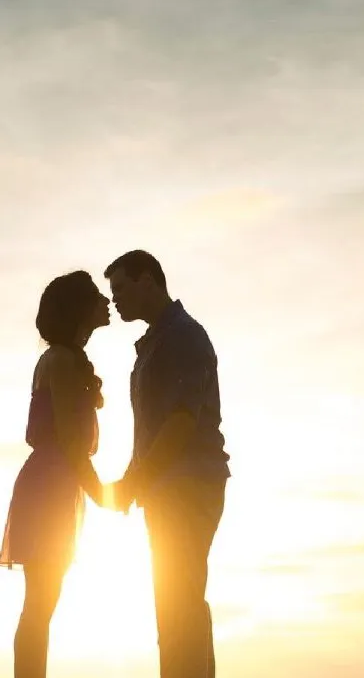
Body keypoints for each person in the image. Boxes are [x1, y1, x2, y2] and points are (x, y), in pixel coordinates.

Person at [104, 250, 230, 678]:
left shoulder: (182, 336)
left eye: (120, 288)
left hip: (189, 485)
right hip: (164, 488)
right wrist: (132, 480)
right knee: (179, 603)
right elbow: (152, 429)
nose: (115, 299)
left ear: (148, 280)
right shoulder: (156, 342)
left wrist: (135, 479)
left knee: (179, 606)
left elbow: (179, 422)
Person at [0, 270, 120, 678]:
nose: (107, 302)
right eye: (97, 297)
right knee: (41, 603)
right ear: (78, 309)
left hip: (54, 482)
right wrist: (104, 496)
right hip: (52, 484)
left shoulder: (61, 358)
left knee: (41, 602)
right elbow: (71, 442)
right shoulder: (63, 361)